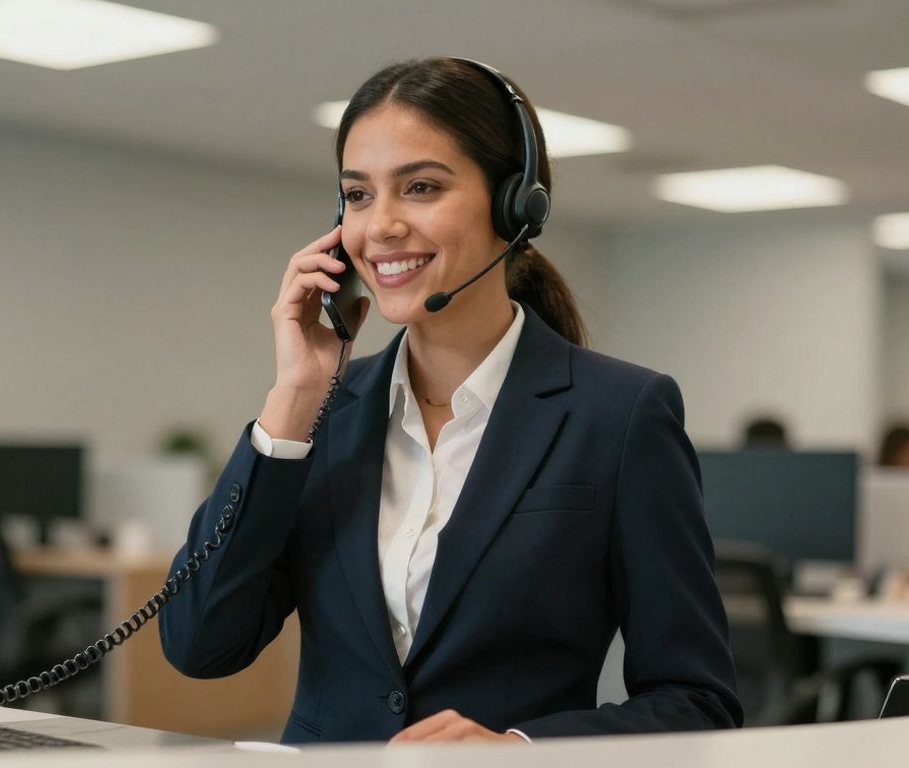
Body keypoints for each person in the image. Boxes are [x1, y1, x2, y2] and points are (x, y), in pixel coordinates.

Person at [159, 57, 741, 745]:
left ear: (514, 204)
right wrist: (293, 400)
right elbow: (200, 645)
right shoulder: (326, 412)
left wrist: (518, 751)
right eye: (358, 195)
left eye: (421, 187)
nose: (381, 226)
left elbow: (696, 701)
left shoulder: (620, 415)